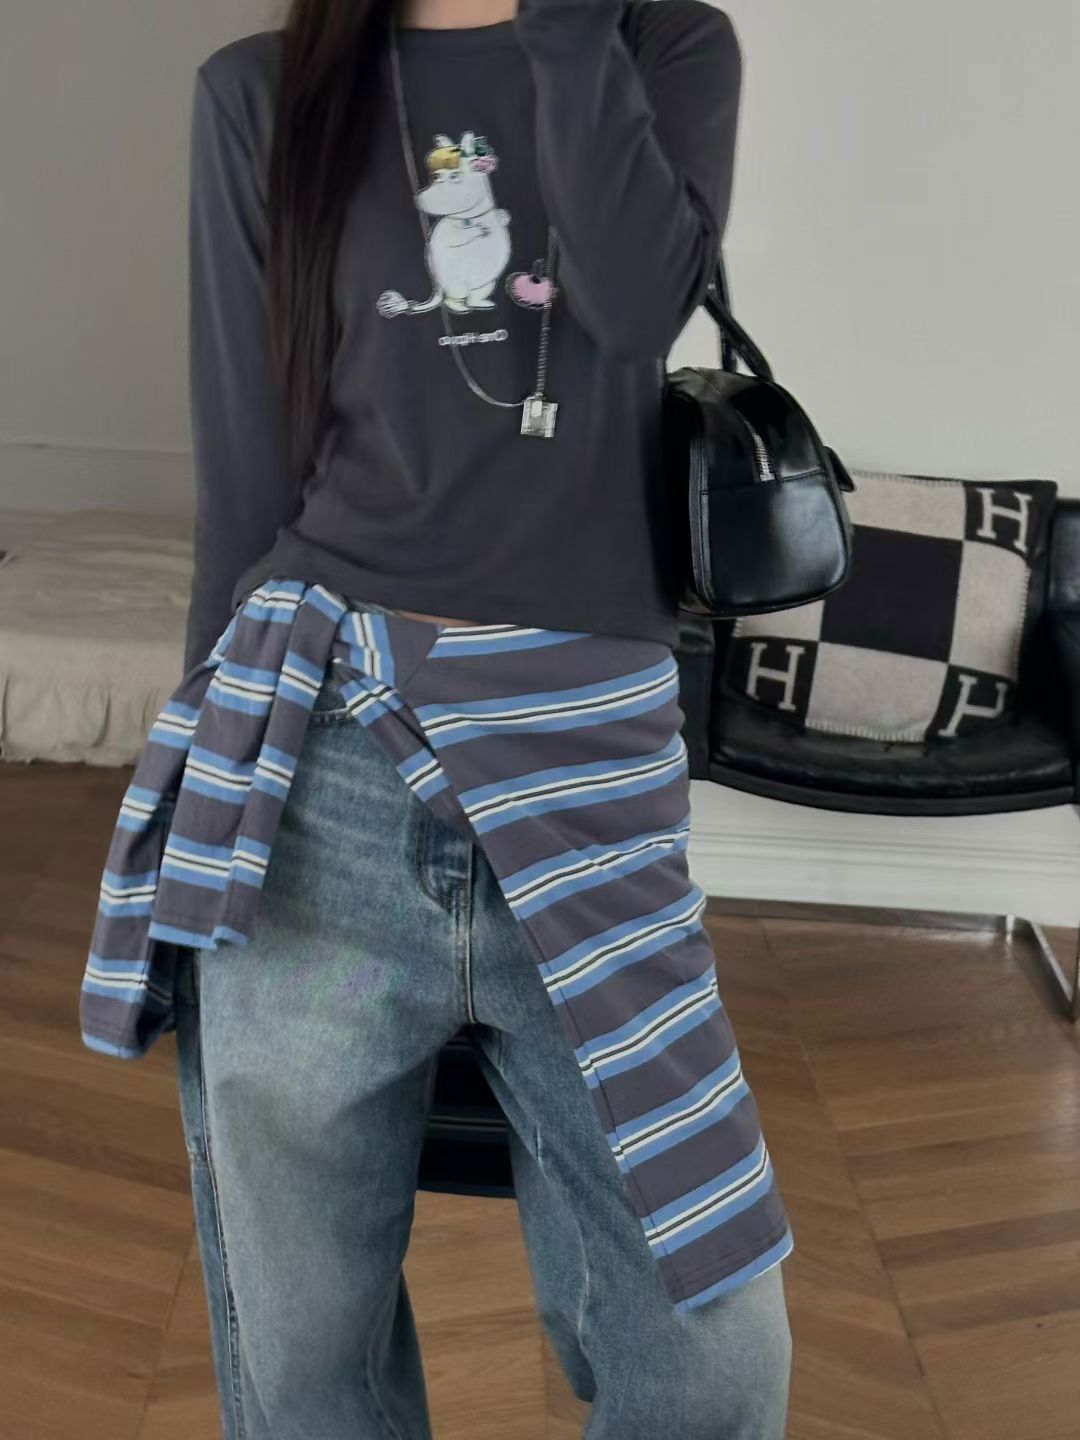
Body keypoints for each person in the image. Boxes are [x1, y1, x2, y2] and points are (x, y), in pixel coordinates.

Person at [79, 0, 795, 1434]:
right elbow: (246, 472)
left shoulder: (664, 47)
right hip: (321, 769)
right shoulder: (260, 94)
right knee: (305, 1358)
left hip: (585, 777)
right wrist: (209, 759)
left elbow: (633, 306)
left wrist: (566, 29)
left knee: (711, 1359)